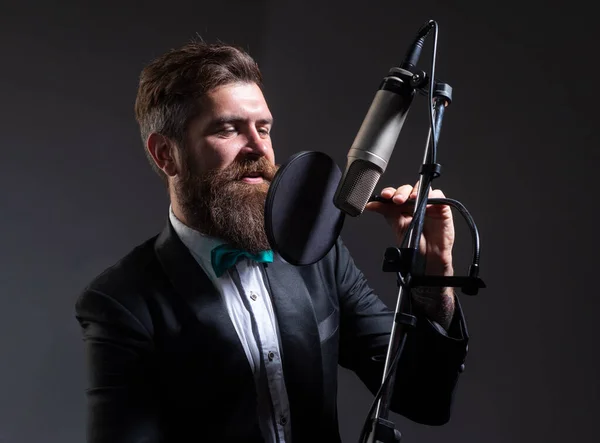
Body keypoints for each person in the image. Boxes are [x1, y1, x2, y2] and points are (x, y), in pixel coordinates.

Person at [75, 41, 469, 443]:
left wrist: (434, 273)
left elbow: (425, 398)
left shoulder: (319, 256)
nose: (258, 148)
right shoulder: (120, 302)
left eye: (263, 128)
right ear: (166, 154)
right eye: (228, 128)